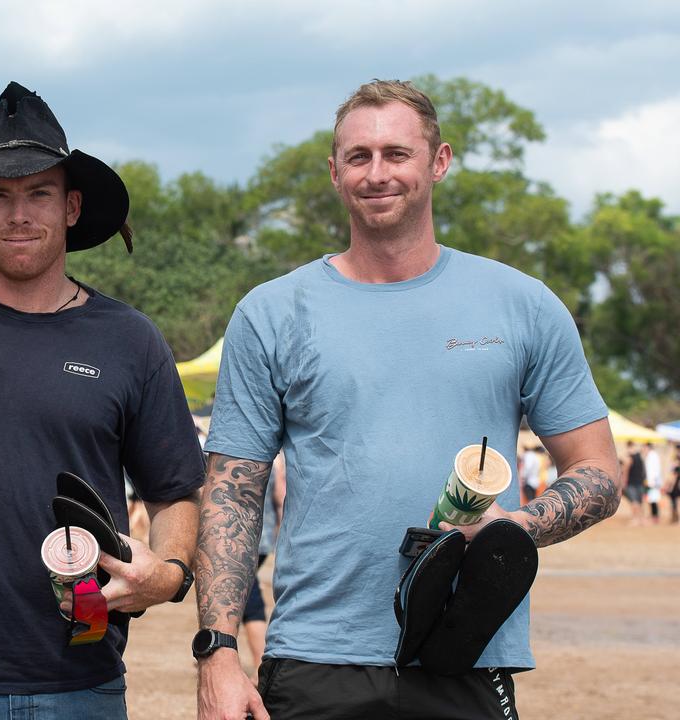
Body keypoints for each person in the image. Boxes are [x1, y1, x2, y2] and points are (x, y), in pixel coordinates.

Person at [194, 79, 621, 720]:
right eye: (358, 157)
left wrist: (513, 530)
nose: (376, 173)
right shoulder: (272, 312)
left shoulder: (524, 305)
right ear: (334, 172)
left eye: (397, 153)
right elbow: (232, 492)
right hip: (315, 659)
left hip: (465, 650)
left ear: (438, 161)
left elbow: (599, 472)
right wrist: (219, 653)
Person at [0, 81, 203, 719]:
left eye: (39, 193)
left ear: (72, 207)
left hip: (81, 679)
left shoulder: (129, 339)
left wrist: (164, 576)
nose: (18, 214)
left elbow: (174, 493)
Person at [239, 452, 285, 679]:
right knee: (240, 595)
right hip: (266, 538)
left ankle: (260, 664)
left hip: (239, 540)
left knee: (247, 597)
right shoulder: (276, 461)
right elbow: (281, 497)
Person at [624, 441, 646, 525]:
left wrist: (624, 482)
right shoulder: (640, 456)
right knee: (640, 501)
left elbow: (626, 471)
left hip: (631, 483)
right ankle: (642, 519)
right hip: (640, 482)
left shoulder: (629, 458)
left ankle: (635, 519)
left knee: (634, 501)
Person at [644, 442, 663, 523]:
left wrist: (652, 481)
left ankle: (655, 516)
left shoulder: (653, 456)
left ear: (648, 447)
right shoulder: (650, 456)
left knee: (653, 499)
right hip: (651, 481)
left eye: (645, 448)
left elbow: (654, 470)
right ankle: (653, 515)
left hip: (653, 482)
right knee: (651, 499)